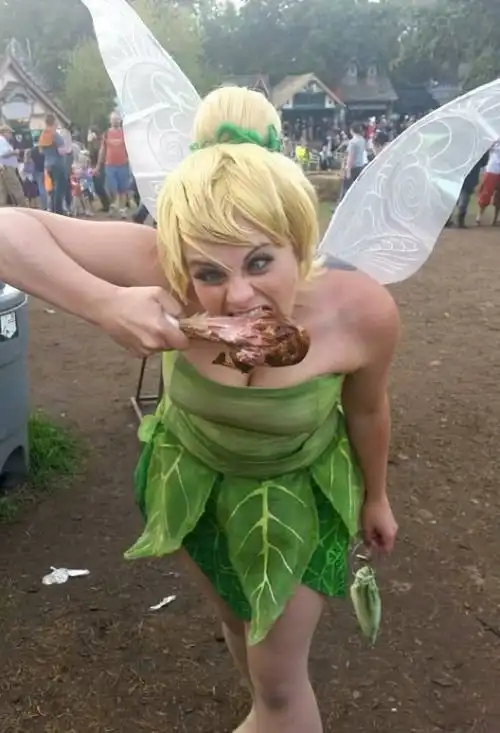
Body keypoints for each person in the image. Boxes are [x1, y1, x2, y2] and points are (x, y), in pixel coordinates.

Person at [0, 86, 399, 733]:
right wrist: (104, 302)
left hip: (294, 498)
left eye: (261, 260)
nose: (238, 296)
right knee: (238, 629)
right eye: (209, 272)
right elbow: (8, 229)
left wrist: (376, 497)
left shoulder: (360, 310)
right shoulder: (163, 265)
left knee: (281, 687)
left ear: (300, 241)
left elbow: (367, 410)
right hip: (194, 487)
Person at [96, 111, 130, 218]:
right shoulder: (106, 134)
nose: (115, 121)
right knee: (112, 188)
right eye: (113, 119)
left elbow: (130, 148)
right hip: (110, 165)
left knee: (123, 189)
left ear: (120, 120)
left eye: (117, 119)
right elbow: (102, 150)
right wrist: (98, 165)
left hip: (123, 165)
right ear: (110, 121)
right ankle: (113, 205)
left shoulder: (125, 133)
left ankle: (122, 210)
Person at [38, 114, 67, 215]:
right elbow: (61, 151)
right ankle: (59, 211)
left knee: (53, 188)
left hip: (48, 164)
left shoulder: (43, 135)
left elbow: (41, 151)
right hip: (58, 164)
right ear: (54, 122)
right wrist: (67, 149)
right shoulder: (55, 135)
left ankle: (53, 209)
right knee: (60, 188)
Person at [0, 123, 26, 207]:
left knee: (3, 189)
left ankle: (2, 207)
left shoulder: (3, 141)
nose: (11, 135)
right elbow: (3, 154)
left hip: (4, 167)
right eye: (10, 132)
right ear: (4, 132)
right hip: (7, 167)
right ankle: (22, 205)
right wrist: (15, 152)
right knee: (16, 186)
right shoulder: (2, 141)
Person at [476, 140, 500, 226]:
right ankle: (479, 216)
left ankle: (495, 218)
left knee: (499, 196)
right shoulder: (494, 138)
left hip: (493, 169)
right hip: (492, 169)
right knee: (486, 193)